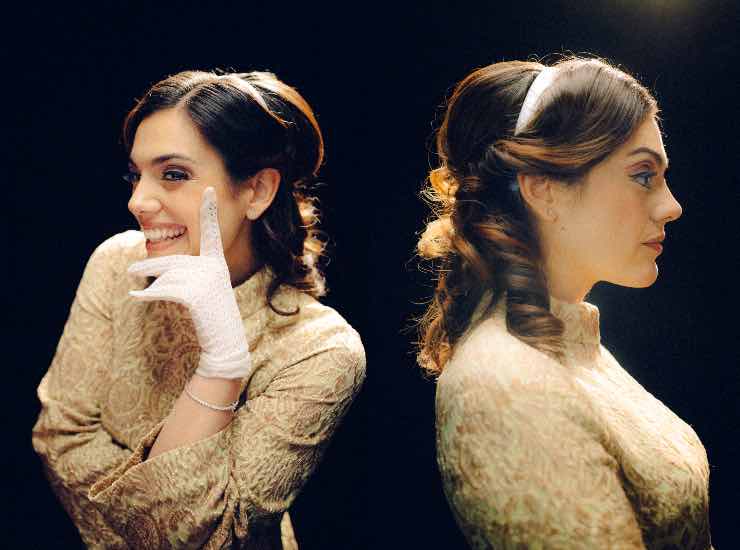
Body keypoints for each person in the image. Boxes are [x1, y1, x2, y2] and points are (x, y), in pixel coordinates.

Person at [32, 70, 365, 549]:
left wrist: (223, 365)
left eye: (173, 174)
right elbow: (60, 438)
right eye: (136, 175)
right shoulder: (118, 263)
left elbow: (221, 536)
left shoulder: (321, 349)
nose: (137, 201)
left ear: (257, 191)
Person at [416, 57, 713, 548]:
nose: (671, 206)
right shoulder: (505, 383)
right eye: (643, 176)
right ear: (543, 189)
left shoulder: (573, 347)